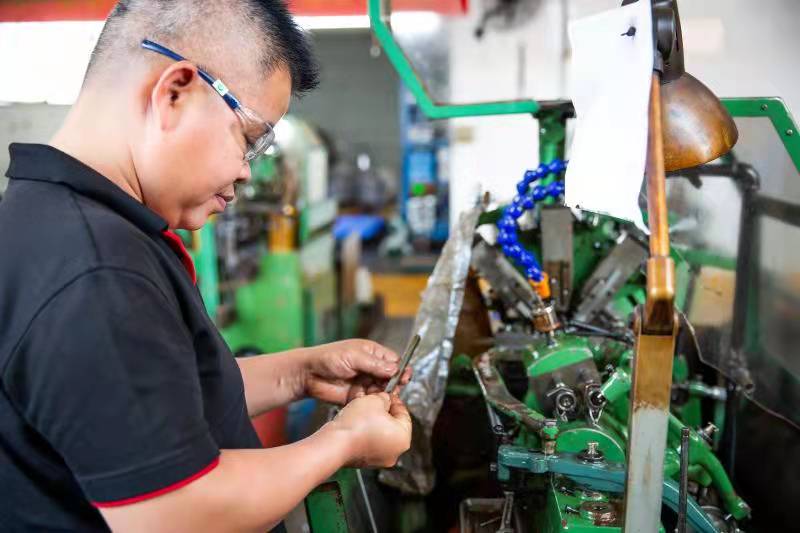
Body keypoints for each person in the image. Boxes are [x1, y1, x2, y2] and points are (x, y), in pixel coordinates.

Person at [0, 1, 412, 531]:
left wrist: (300, 373)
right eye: (247, 138)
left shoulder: (51, 220)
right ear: (174, 92)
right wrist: (343, 440)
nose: (244, 171)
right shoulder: (98, 269)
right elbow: (178, 512)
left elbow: (147, 400)